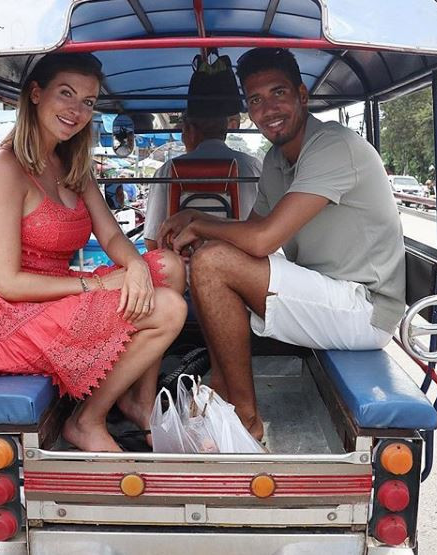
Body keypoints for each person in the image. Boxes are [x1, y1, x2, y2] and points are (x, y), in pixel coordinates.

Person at [158, 48, 405, 440]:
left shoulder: (331, 147)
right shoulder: (276, 159)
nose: (268, 109)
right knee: (210, 257)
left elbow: (261, 241)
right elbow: (251, 230)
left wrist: (201, 223)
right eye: (256, 100)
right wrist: (195, 222)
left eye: (279, 93)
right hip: (327, 294)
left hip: (365, 308)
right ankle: (221, 386)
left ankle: (246, 419)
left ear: (302, 95)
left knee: (213, 262)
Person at [0, 52, 187, 453]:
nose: (77, 111)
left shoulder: (71, 165)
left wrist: (135, 265)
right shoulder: (3, 167)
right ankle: (86, 420)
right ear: (36, 94)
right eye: (66, 94)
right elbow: (8, 283)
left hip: (58, 293)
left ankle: (138, 401)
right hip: (12, 313)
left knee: (169, 266)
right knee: (169, 308)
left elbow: (111, 235)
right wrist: (97, 284)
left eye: (87, 101)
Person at [144, 111, 262, 251]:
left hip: (182, 262)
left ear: (191, 131)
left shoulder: (167, 170)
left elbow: (153, 241)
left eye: (183, 132)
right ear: (225, 130)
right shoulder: (253, 167)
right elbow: (265, 232)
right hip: (245, 259)